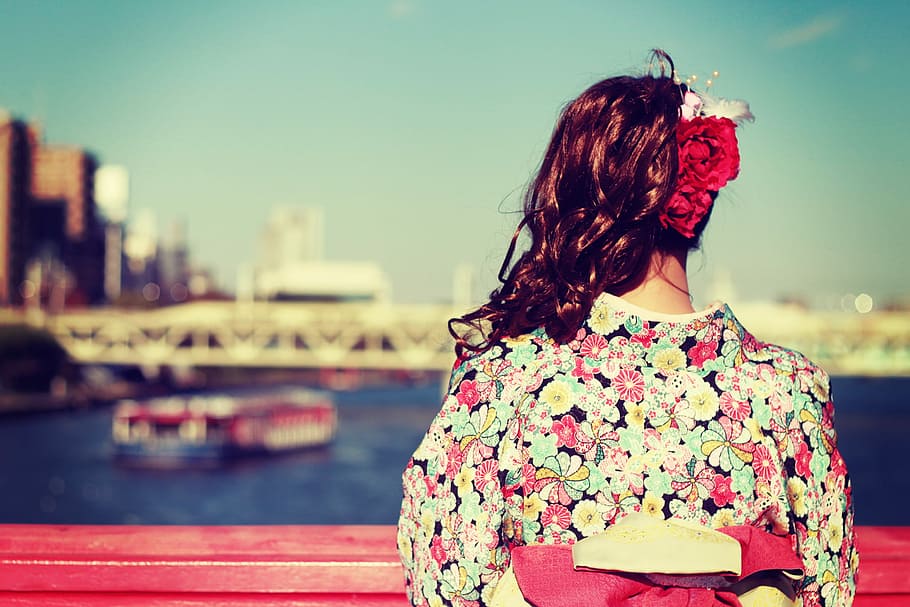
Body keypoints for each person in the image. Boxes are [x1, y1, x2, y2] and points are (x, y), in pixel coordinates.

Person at [397, 50, 857, 607]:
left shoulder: (499, 385)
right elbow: (829, 588)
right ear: (697, 202)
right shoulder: (788, 389)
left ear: (577, 200)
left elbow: (446, 582)